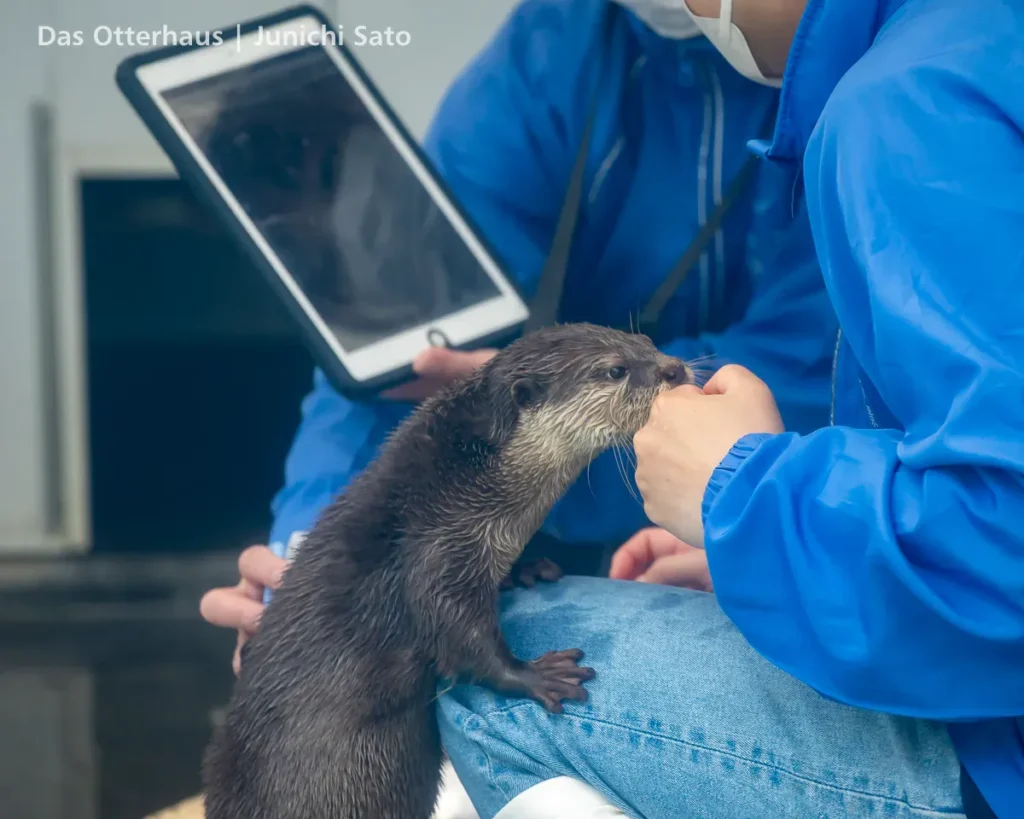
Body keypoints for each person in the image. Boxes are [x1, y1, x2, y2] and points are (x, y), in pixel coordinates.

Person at [431, 0, 1024, 816]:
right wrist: (779, 566)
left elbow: (1006, 547)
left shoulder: (902, 107)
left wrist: (741, 490)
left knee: (489, 674)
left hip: (1000, 752)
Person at [202, 0, 837, 671]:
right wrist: (308, 558)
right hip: (588, 520)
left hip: (777, 514)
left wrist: (570, 436)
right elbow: (404, 346)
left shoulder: (862, 76)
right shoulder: (558, 46)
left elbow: (815, 367)